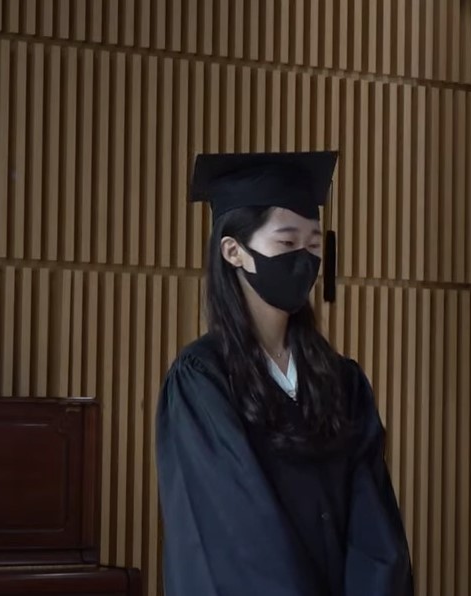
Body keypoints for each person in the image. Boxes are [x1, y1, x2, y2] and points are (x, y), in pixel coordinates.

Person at [155, 151, 413, 596]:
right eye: (287, 242)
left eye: (313, 245)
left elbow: (374, 523)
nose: (304, 259)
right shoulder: (203, 380)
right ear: (234, 251)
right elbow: (235, 532)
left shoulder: (340, 380)